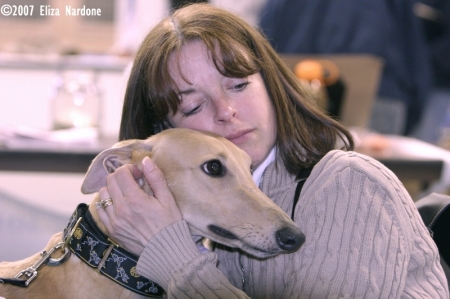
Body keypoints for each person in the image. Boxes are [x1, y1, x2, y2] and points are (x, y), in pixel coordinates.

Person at [96, 3, 448, 298]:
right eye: (192, 108)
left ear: (270, 83)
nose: (225, 111)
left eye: (239, 84)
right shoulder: (211, 225)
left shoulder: (350, 185)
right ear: (166, 135)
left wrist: (172, 255)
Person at [258, 0, 433, 136]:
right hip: (376, 94)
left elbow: (265, 37)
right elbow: (411, 47)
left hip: (296, 89)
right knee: (371, 175)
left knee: (296, 175)